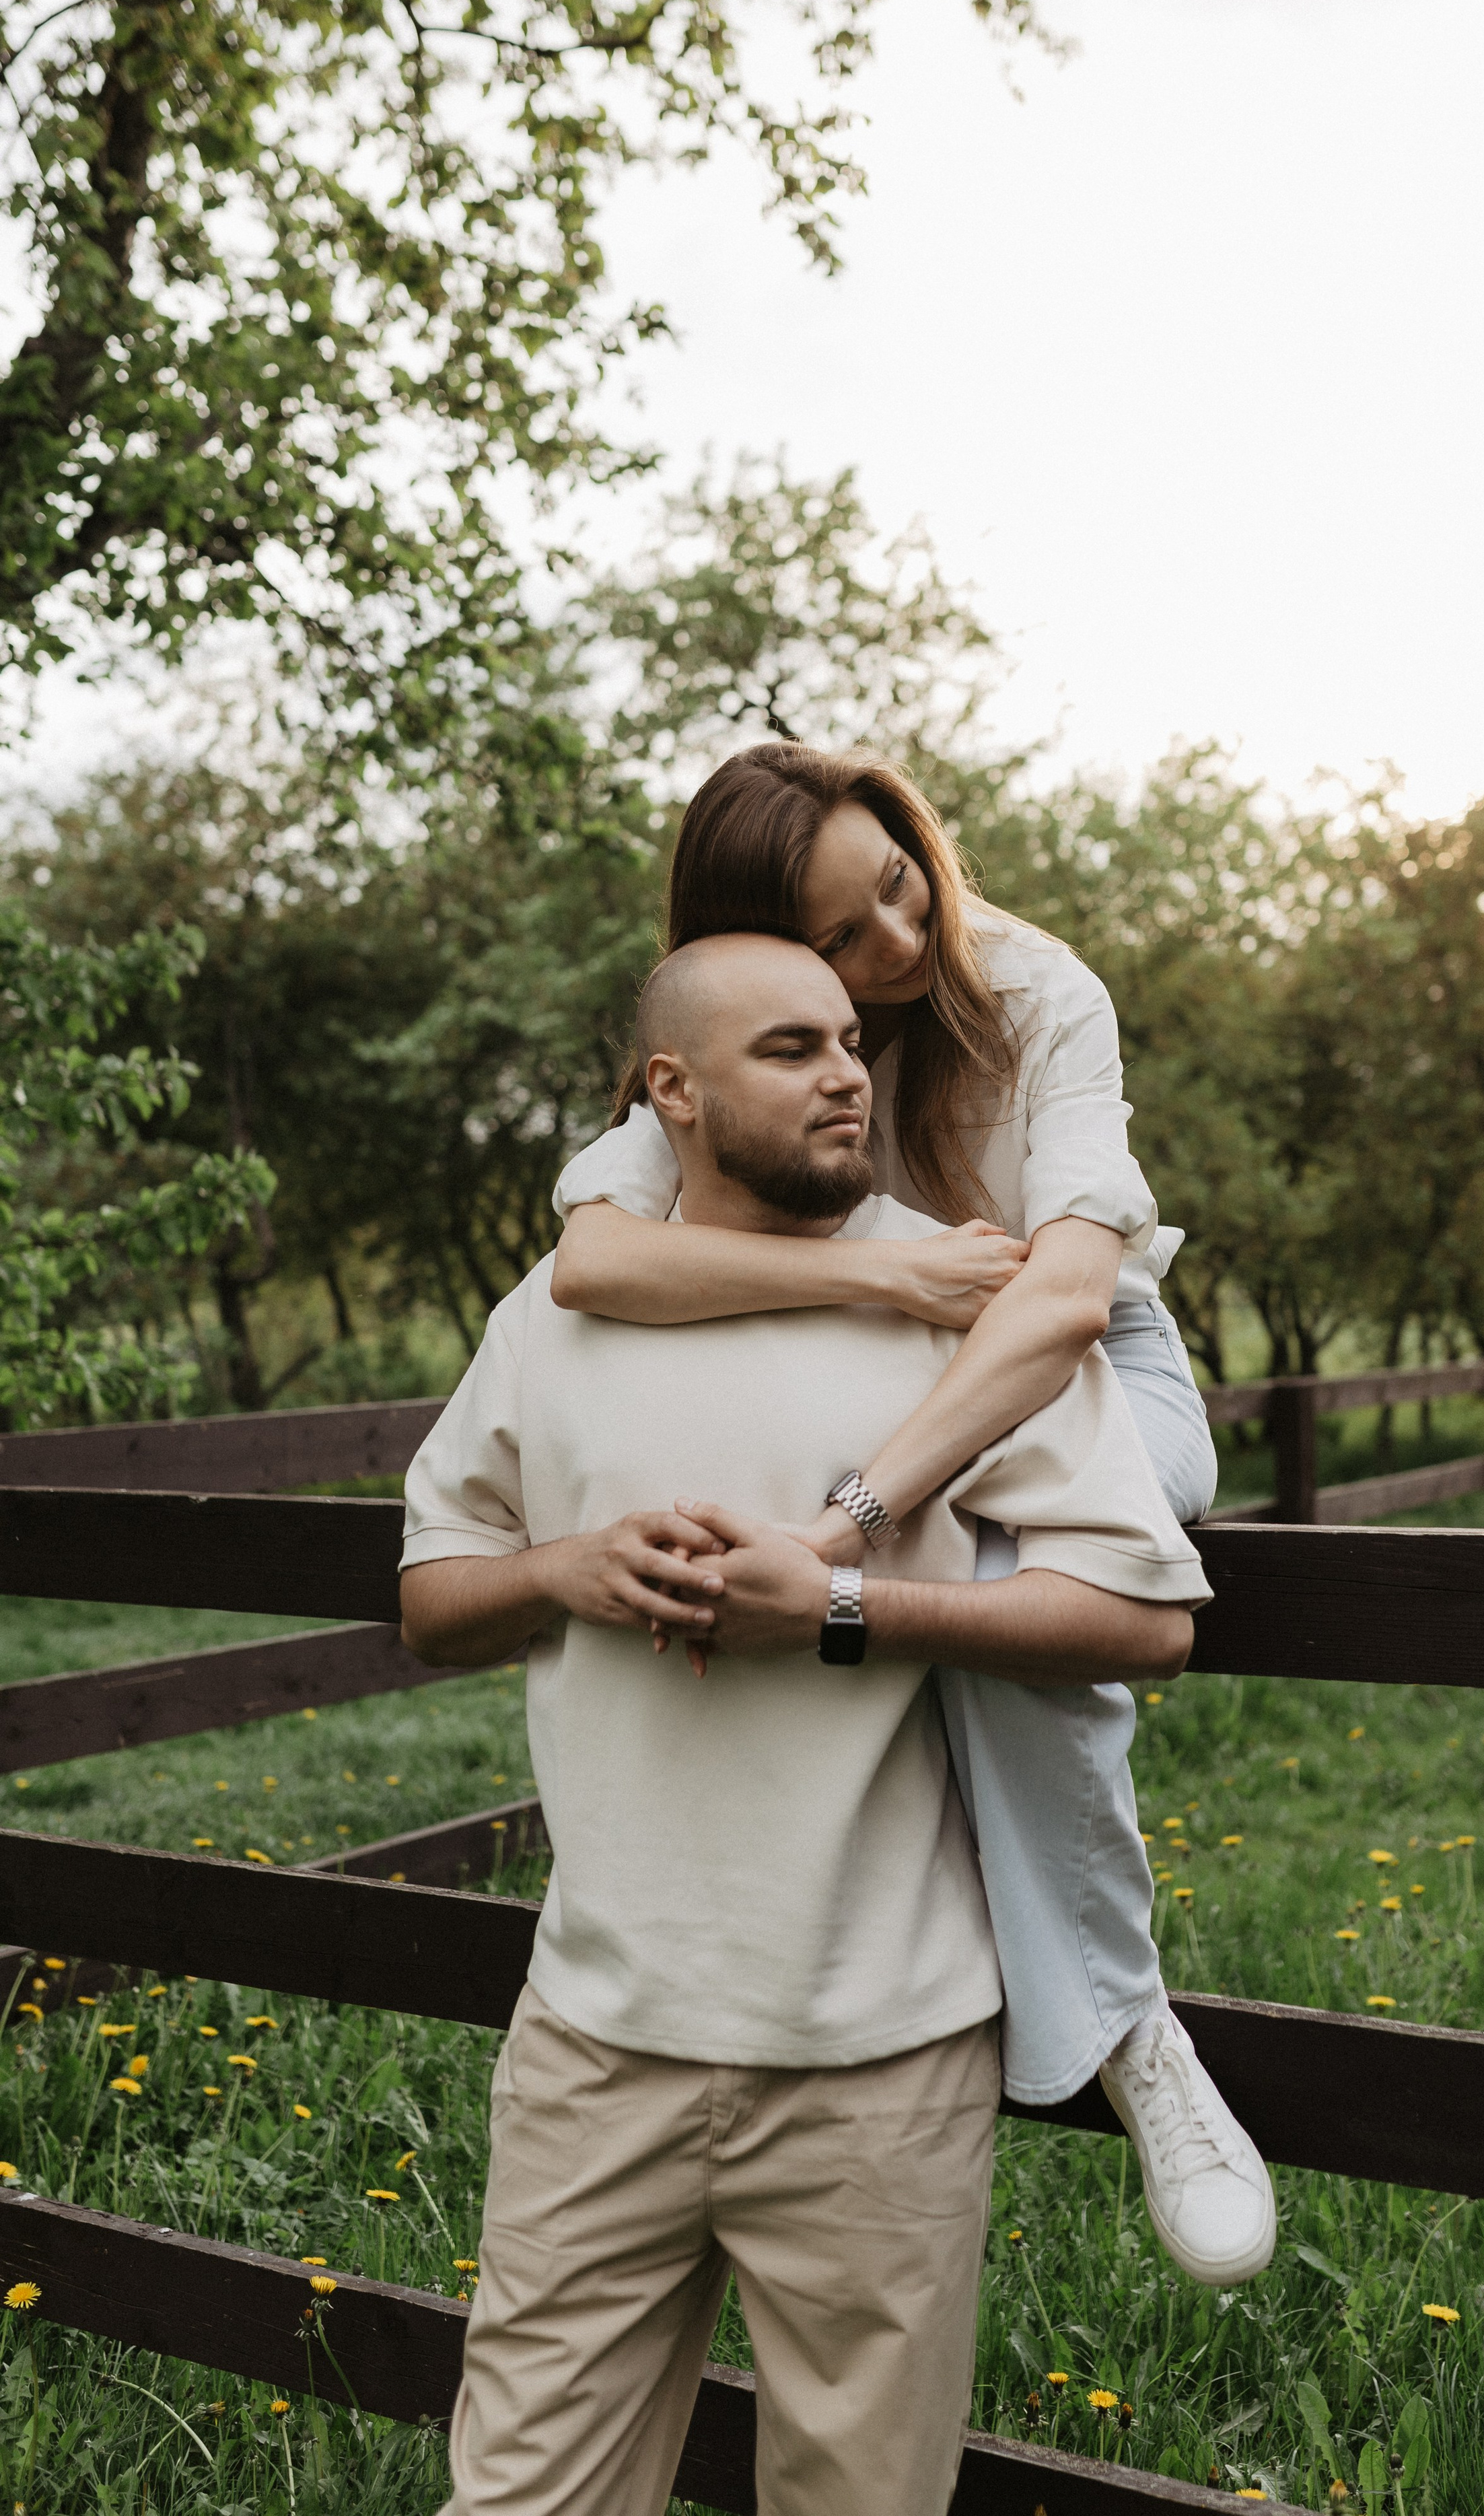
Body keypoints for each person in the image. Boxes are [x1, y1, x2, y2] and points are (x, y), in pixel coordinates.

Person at [399, 934, 1205, 2516]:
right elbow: (433, 1591)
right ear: (670, 1093)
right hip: (591, 2049)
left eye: (849, 1039)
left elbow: (1139, 1618)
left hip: (879, 2066)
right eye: (789, 1049)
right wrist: (570, 1567)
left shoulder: (959, 1299)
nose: (846, 1071)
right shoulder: (556, 1310)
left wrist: (834, 1606)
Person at [546, 740, 1275, 2286]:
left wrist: (858, 1520)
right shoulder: (740, 1027)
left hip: (1084, 1364)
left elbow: (1068, 1296)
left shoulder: (1038, 992)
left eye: (901, 881)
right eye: (838, 936)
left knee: (996, 1559)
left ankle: (1131, 2030)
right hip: (884, 1340)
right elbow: (598, 1263)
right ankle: (831, 1983)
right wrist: (876, 1274)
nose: (897, 941)